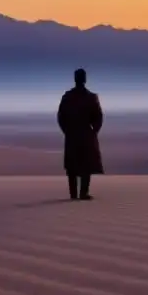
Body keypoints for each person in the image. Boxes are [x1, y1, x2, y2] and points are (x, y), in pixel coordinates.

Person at [56, 68, 104, 200]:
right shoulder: (91, 97)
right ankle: (82, 193)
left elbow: (61, 117)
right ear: (85, 79)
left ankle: (74, 194)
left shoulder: (68, 96)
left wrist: (67, 130)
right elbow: (99, 117)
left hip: (73, 135)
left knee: (74, 165)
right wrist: (93, 131)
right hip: (84, 134)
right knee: (84, 165)